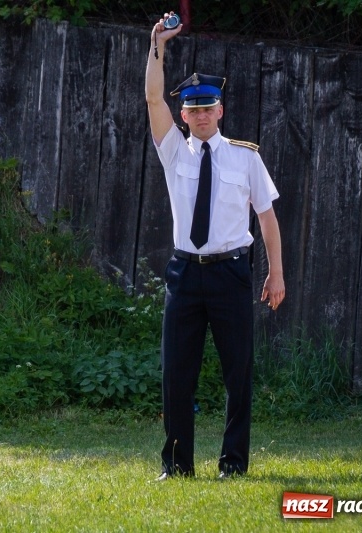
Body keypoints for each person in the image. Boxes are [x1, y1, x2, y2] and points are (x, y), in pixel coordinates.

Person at [145, 14, 285, 479]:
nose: (201, 115)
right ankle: (178, 464)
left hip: (230, 273)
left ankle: (233, 463)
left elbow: (266, 215)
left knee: (237, 375)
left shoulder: (246, 156)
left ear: (220, 110)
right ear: (182, 114)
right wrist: (157, 45)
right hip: (185, 274)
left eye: (209, 108)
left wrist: (275, 273)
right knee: (176, 376)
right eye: (193, 109)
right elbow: (151, 96)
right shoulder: (173, 152)